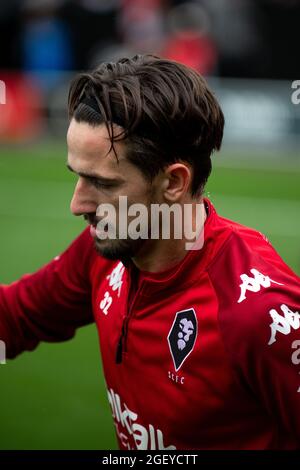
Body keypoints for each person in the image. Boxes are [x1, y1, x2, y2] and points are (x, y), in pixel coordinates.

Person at [0, 54, 300, 450]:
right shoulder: (105, 250)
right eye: (77, 177)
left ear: (174, 181)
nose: (77, 205)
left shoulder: (259, 315)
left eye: (102, 183)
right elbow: (15, 318)